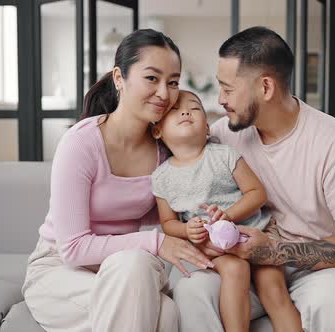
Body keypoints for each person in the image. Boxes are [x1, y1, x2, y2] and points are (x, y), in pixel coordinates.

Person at [172, 26, 335, 332]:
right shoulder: (221, 136)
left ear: (266, 87)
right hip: (243, 268)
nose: (220, 99)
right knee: (193, 292)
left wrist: (274, 251)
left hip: (318, 269)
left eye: (228, 89)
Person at [22, 29, 213, 332]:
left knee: (139, 273)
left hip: (126, 270)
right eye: (152, 78)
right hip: (61, 270)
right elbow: (72, 248)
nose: (164, 93)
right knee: (162, 312)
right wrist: (157, 242)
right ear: (119, 78)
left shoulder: (165, 151)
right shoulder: (81, 143)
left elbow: (170, 214)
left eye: (173, 82)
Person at [151, 90, 303, 332]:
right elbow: (168, 223)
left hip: (256, 231)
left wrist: (229, 215)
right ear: (157, 130)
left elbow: (257, 193)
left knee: (273, 288)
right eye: (174, 110)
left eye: (194, 108)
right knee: (236, 268)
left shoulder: (224, 155)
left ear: (208, 128)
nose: (186, 111)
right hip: (215, 246)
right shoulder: (161, 178)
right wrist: (187, 229)